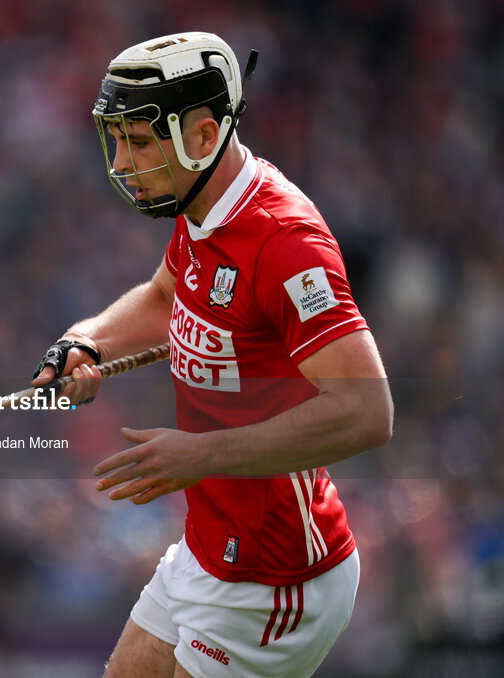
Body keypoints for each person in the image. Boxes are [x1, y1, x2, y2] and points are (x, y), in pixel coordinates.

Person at [32, 32, 393, 678]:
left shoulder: (284, 243)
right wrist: (86, 340)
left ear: (203, 137)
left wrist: (200, 455)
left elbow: (367, 412)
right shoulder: (201, 206)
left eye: (139, 141)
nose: (120, 161)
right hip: (209, 549)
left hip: (279, 579)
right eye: (116, 138)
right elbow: (163, 295)